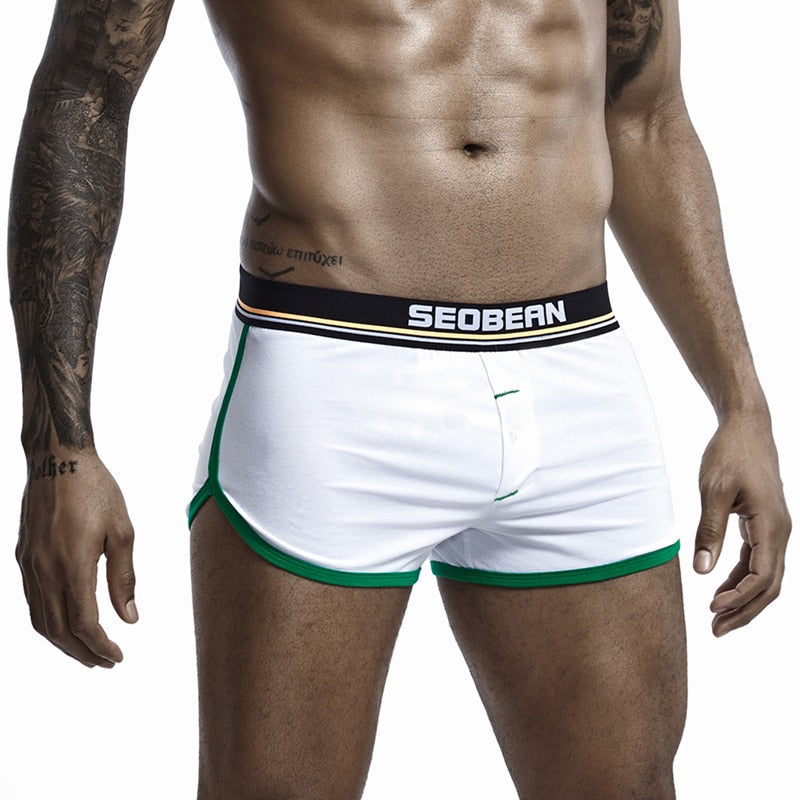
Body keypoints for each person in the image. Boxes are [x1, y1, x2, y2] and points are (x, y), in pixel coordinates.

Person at [7, 1, 790, 798]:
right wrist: (59, 452)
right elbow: (86, 88)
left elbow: (646, 117)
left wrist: (742, 403)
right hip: (335, 377)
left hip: (576, 376)